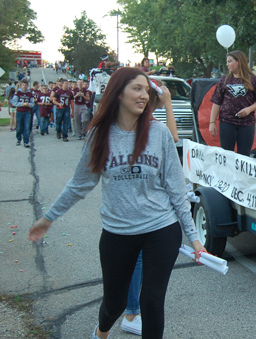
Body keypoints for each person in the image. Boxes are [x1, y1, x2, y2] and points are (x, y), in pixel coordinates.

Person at [27, 67, 206, 339]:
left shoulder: (159, 134)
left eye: (147, 90)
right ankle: (101, 331)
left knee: (152, 301)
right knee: (115, 304)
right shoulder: (99, 135)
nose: (144, 95)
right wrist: (48, 218)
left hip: (161, 227)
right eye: (137, 88)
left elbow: (176, 187)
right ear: (118, 93)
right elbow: (80, 184)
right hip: (118, 232)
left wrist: (193, 237)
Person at [120, 78, 179, 336]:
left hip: (146, 203)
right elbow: (175, 138)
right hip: (136, 205)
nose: (144, 96)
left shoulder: (149, 123)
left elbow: (171, 139)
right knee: (136, 259)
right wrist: (167, 105)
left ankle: (132, 311)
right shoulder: (139, 122)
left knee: (139, 259)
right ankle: (131, 313)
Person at [209, 50, 256, 156]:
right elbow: (216, 102)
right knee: (227, 155)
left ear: (239, 61)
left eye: (230, 61)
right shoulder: (224, 80)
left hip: (246, 124)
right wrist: (212, 122)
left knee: (244, 156)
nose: (227, 64)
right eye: (227, 62)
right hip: (227, 123)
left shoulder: (253, 80)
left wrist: (249, 109)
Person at [12, 79, 35, 147]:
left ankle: (26, 141)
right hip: (19, 112)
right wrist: (21, 104)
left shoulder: (30, 94)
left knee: (27, 127)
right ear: (21, 85)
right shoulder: (18, 93)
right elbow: (14, 102)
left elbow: (33, 103)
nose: (24, 86)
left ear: (27, 86)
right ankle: (19, 139)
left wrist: (28, 105)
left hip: (27, 112)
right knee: (19, 127)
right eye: (23, 85)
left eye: (26, 85)